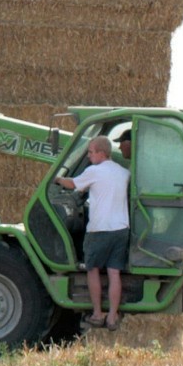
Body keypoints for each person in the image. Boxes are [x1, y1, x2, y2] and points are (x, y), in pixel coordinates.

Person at [56, 136, 132, 328]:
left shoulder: (94, 171)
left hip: (99, 229)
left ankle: (97, 314)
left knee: (92, 270)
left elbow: (72, 184)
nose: (88, 156)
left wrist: (56, 178)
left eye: (90, 152)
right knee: (114, 273)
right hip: (120, 229)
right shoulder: (124, 172)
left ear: (101, 153)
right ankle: (113, 316)